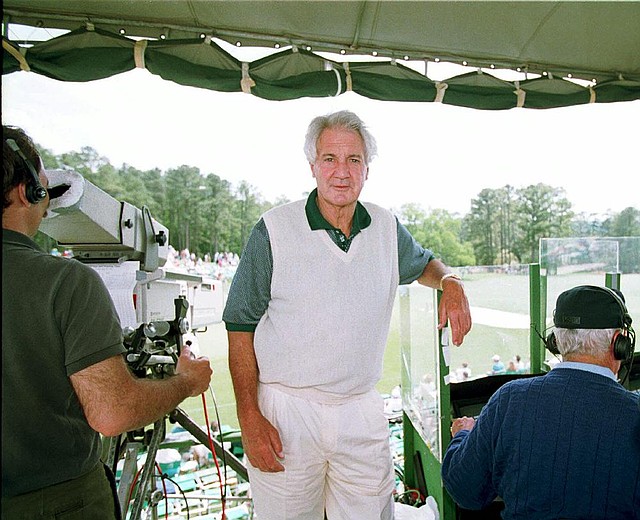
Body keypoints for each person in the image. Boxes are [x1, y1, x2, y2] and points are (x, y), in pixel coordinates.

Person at [223, 110, 472, 520]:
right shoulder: (273, 230)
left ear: (367, 169)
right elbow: (239, 329)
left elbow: (426, 264)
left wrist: (451, 280)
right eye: (330, 159)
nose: (342, 172)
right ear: (313, 166)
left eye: (353, 160)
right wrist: (249, 416)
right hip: (287, 410)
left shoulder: (386, 227)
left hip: (360, 409)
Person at [2, 126, 213, 518]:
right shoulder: (66, 282)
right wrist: (185, 382)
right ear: (25, 190)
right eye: (45, 188)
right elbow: (112, 414)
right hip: (56, 501)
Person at [442, 285, 640, 519]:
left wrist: (463, 435)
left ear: (555, 340)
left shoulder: (510, 399)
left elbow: (465, 491)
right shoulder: (634, 413)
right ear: (620, 344)